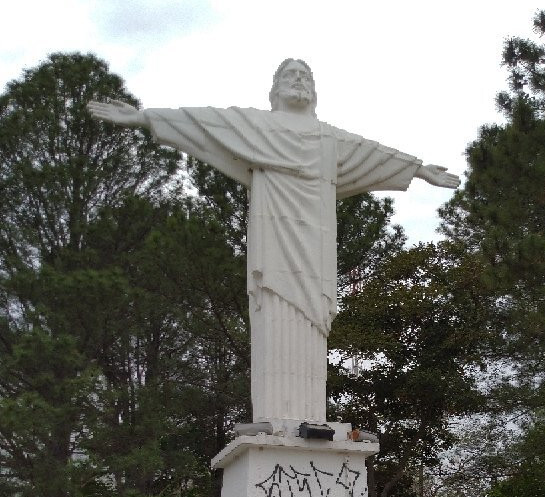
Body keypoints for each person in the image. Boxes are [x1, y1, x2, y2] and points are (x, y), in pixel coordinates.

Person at [88, 59, 459, 424]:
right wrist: (144, 118)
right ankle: (277, 418)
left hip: (315, 250)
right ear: (275, 89)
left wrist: (419, 170)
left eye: (305, 75)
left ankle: (309, 421)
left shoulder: (329, 139)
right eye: (290, 75)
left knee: (313, 321)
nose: (298, 79)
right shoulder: (256, 127)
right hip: (274, 241)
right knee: (275, 312)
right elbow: (203, 123)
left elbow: (372, 154)